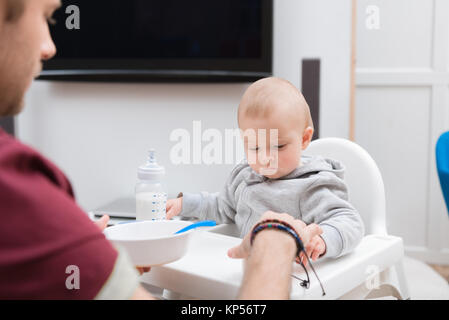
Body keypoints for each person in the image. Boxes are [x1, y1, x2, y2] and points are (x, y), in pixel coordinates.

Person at [0, 0, 321, 300]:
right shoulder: (15, 186)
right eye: (45, 17)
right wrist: (275, 241)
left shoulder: (317, 182)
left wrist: (86, 257)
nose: (50, 46)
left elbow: (343, 223)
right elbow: (221, 205)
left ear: (305, 139)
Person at [167, 77, 365, 265]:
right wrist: (185, 204)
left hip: (288, 277)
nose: (265, 158)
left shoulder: (310, 185)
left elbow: (349, 221)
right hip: (244, 269)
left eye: (278, 146)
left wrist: (324, 240)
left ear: (304, 139)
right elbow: (222, 207)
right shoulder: (243, 176)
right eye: (255, 148)